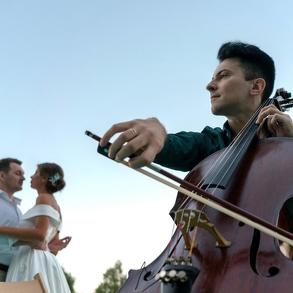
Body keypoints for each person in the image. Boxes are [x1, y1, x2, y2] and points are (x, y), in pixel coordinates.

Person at [100, 41, 293, 253]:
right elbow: (179, 145)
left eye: (223, 76)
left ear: (256, 86)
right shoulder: (212, 144)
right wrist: (156, 136)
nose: (210, 86)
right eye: (212, 79)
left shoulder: (286, 142)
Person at [0, 160, 71, 292]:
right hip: (46, 263)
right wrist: (49, 246)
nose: (31, 177)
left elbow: (39, 235)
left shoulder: (43, 198)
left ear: (44, 178)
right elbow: (50, 246)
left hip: (30, 262)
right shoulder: (57, 207)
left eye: (36, 172)